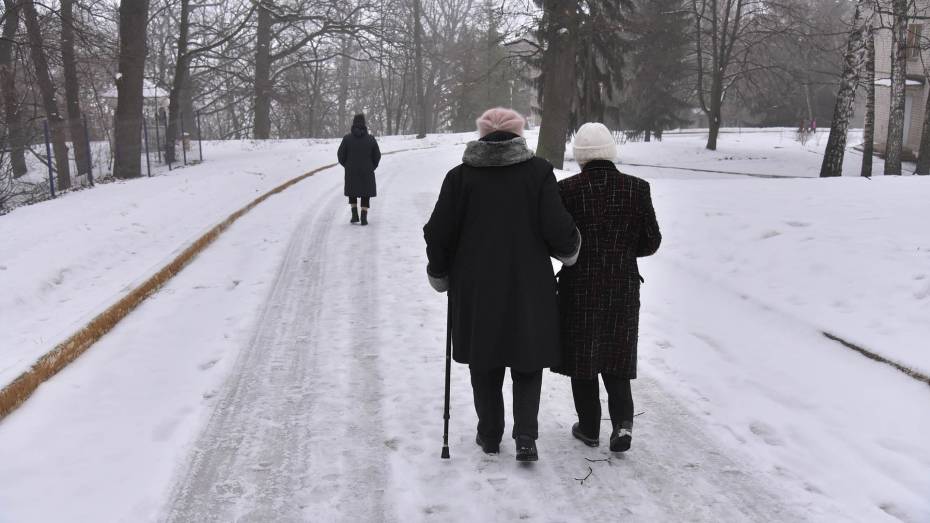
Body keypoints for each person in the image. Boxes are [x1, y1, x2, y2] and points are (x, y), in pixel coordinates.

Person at [423, 107, 581, 462]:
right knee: (527, 360)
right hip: (529, 284)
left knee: (485, 360)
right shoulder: (538, 173)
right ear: (518, 136)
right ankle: (526, 435)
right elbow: (557, 228)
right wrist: (569, 250)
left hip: (476, 287)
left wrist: (440, 272)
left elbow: (437, 232)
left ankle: (490, 434)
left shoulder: (460, 177)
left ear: (483, 137)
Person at [555, 122, 661, 453]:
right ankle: (623, 425)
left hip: (579, 286)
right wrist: (623, 252)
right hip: (623, 285)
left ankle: (588, 427)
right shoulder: (637, 188)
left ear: (580, 156)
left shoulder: (567, 190)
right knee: (617, 356)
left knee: (582, 360)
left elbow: (559, 240)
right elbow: (651, 241)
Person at [338, 113, 381, 225]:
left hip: (351, 170)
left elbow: (340, 155)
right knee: (365, 193)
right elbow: (377, 155)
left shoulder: (347, 139)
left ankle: (354, 215)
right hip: (367, 170)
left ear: (353, 124)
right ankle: (364, 216)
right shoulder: (371, 139)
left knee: (352, 191)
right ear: (364, 124)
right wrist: (372, 167)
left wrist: (347, 165)